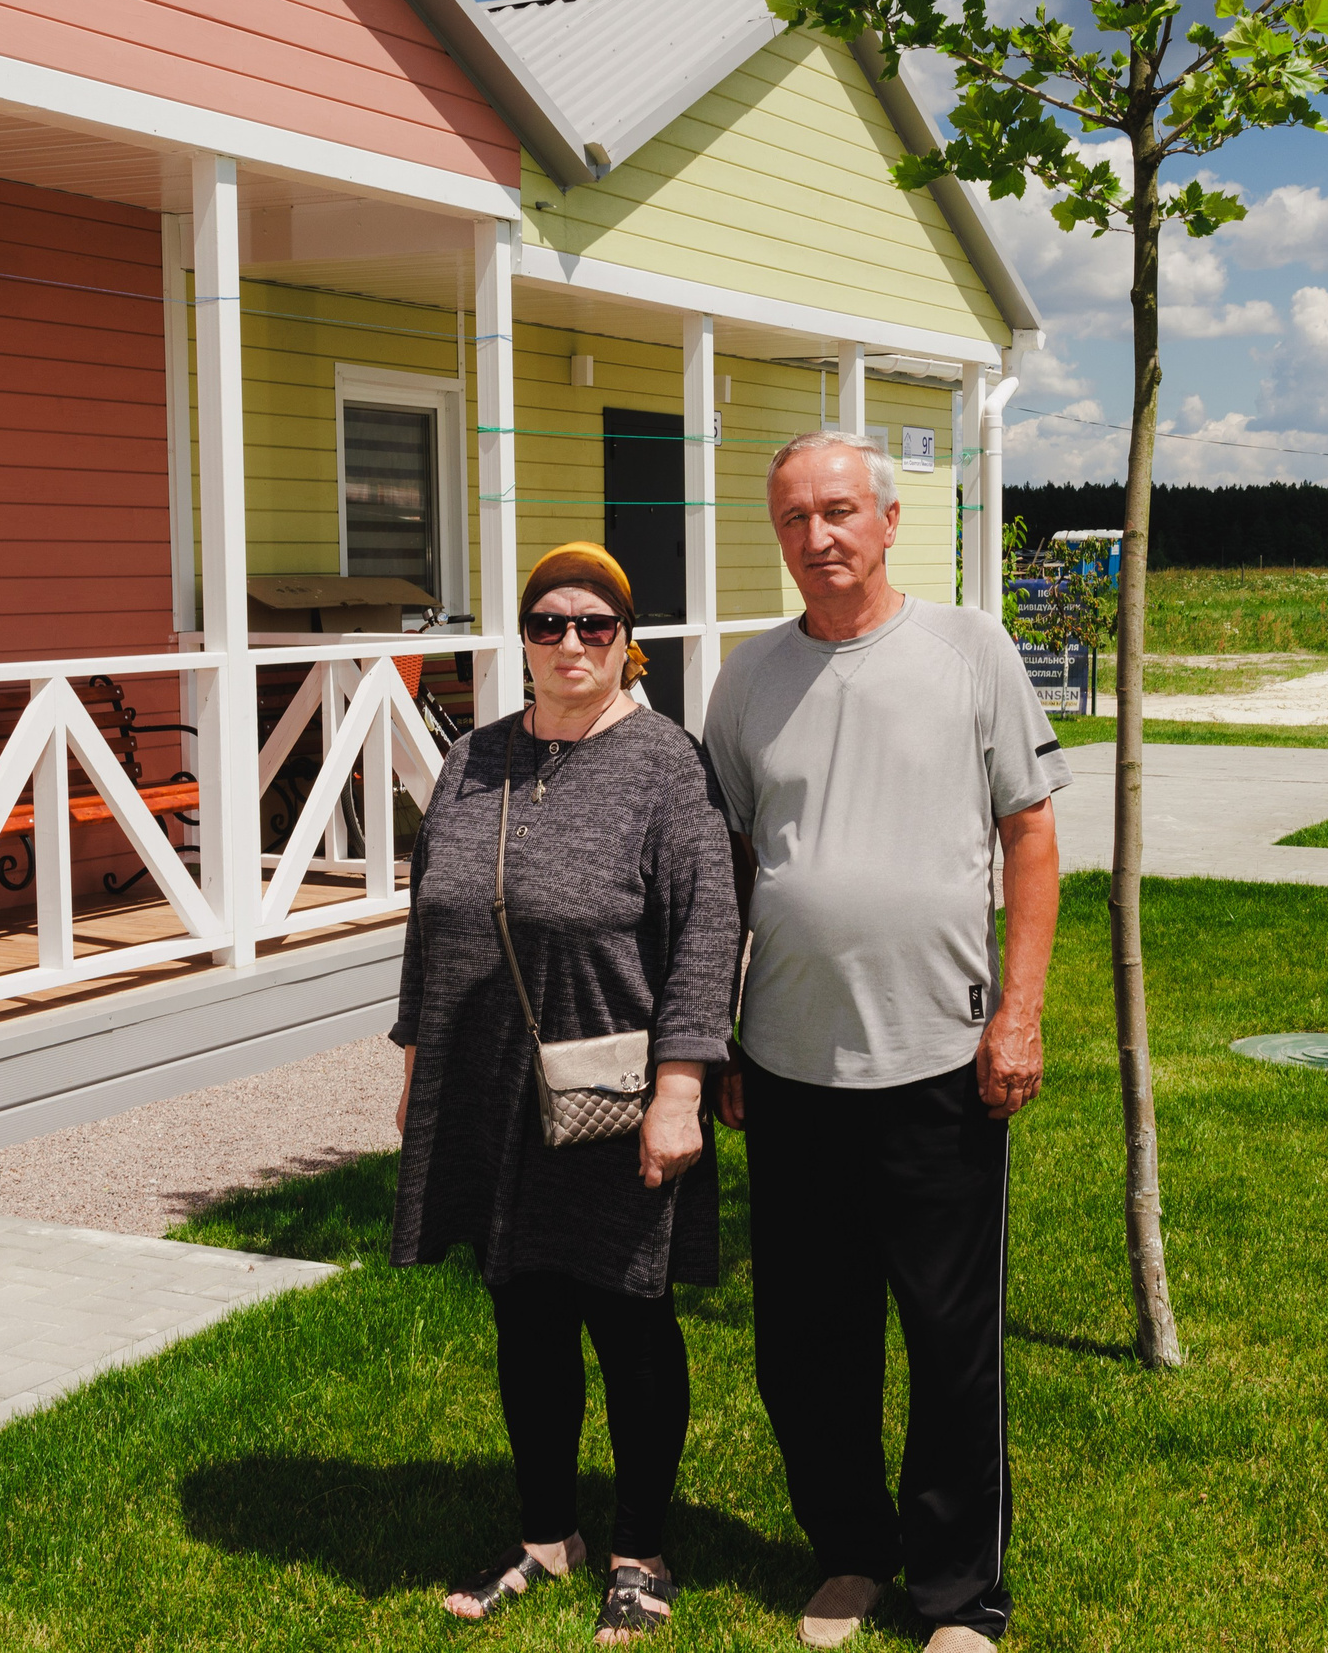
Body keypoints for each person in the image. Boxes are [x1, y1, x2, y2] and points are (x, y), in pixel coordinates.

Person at [704, 433, 1069, 1653]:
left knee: (951, 1345)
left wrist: (1016, 1015)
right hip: (791, 1065)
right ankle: (851, 1554)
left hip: (939, 1062)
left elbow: (1029, 837)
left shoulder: (969, 650)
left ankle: (961, 1593)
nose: (819, 537)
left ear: (890, 520)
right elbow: (733, 871)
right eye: (796, 517)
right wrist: (722, 1040)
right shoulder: (746, 681)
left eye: (841, 511)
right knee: (807, 1344)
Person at [390, 541, 743, 1644]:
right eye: (549, 622)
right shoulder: (475, 758)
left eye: (596, 624)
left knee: (626, 1316)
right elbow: (431, 918)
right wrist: (415, 1067)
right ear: (524, 638)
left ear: (626, 642)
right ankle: (547, 1532)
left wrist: (680, 1086)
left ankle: (640, 1548)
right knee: (523, 1305)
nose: (571, 642)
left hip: (612, 1086)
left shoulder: (664, 764)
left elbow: (706, 933)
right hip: (487, 1080)